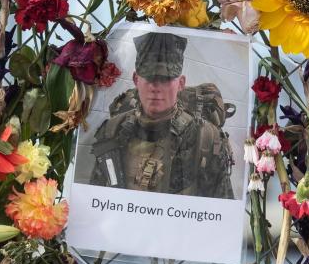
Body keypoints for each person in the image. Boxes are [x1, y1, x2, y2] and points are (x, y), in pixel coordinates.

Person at [86, 32, 234, 199]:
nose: (155, 87)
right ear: (136, 80)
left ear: (181, 84)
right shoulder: (111, 131)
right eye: (149, 78)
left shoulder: (206, 138)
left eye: (165, 79)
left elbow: (222, 211)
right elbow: (95, 200)